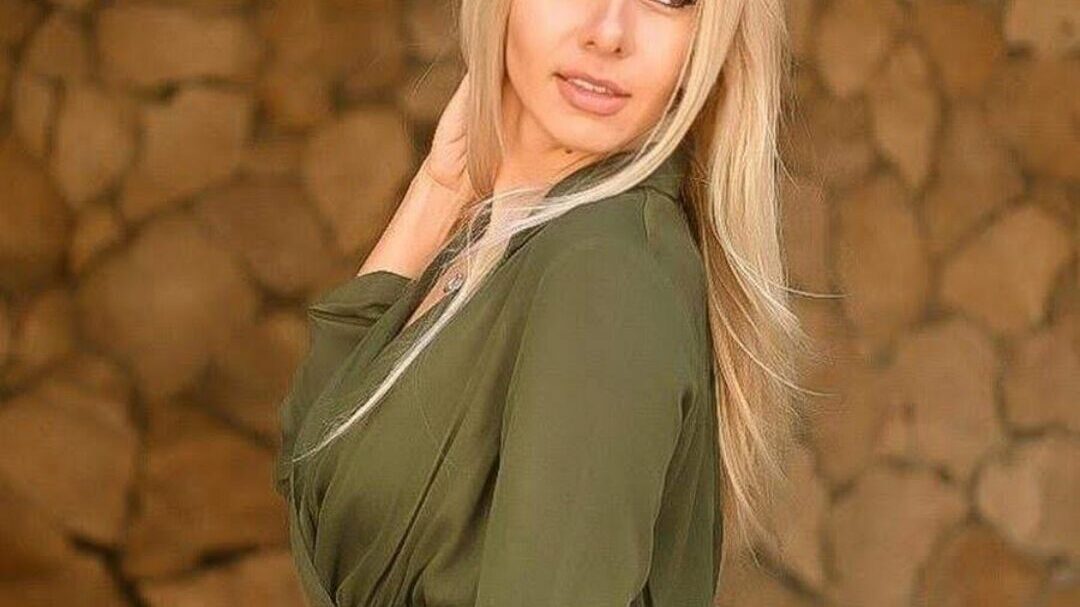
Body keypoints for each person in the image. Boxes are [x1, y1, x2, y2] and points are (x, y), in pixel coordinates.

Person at [274, 0, 809, 605]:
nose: (609, 32)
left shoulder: (605, 273)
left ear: (708, 41)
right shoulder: (512, 236)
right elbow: (312, 459)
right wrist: (439, 189)